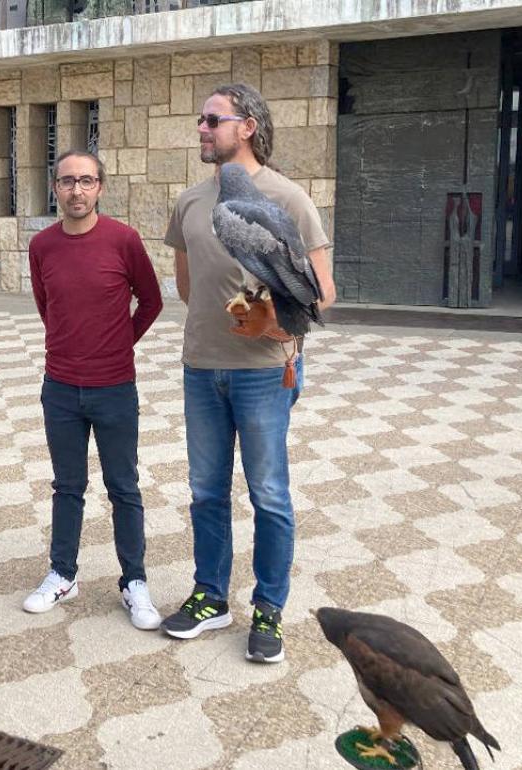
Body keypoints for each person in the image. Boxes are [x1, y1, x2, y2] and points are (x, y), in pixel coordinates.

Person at [162, 83, 336, 663]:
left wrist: (275, 330)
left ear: (248, 127)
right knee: (206, 493)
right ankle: (211, 597)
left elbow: (322, 293)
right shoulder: (189, 201)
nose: (203, 129)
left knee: (269, 495)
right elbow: (187, 287)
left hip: (263, 373)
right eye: (200, 119)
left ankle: (269, 608)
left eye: (214, 119)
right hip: (201, 368)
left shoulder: (288, 199)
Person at [22, 149, 164, 630]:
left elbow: (152, 300)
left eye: (86, 181)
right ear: (55, 188)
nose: (76, 190)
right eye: (67, 182)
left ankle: (135, 582)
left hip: (114, 387)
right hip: (60, 386)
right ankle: (63, 573)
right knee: (67, 485)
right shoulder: (42, 246)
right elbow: (48, 307)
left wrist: (117, 342)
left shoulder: (123, 240)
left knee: (124, 486)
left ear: (100, 186)